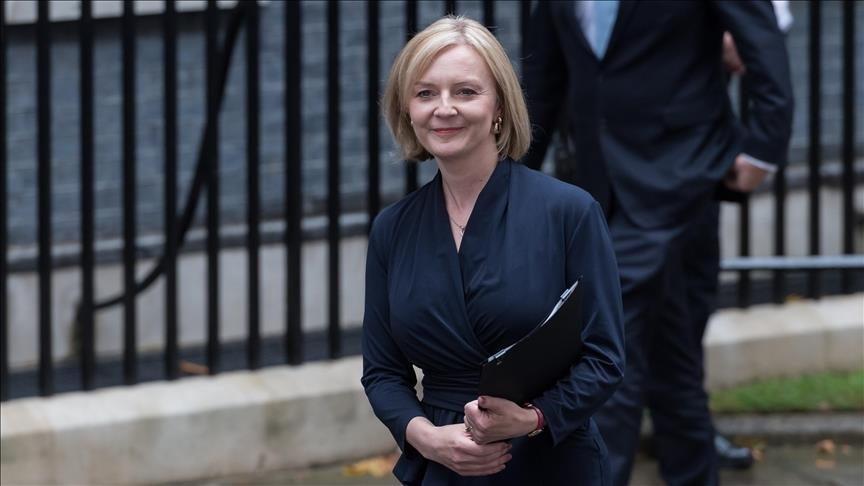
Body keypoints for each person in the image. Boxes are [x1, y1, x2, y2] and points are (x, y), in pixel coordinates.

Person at [522, 2, 794, 485]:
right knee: (673, 361)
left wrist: (762, 150)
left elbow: (762, 38)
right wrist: (510, 184)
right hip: (597, 182)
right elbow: (544, 75)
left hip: (682, 170)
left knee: (608, 353)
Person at [361, 15, 625, 486]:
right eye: (425, 93)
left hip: (549, 461)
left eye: (465, 91)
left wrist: (534, 418)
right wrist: (426, 438)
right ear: (408, 110)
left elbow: (604, 357)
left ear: (499, 105)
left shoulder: (569, 212)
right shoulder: (392, 229)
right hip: (444, 464)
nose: (444, 108)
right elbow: (382, 372)